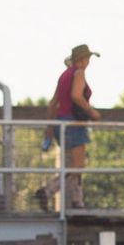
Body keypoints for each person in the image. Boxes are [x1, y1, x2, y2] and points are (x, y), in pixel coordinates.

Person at [38, 44, 100, 211]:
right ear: (83, 59)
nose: (89, 62)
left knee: (73, 165)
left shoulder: (64, 75)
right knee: (78, 165)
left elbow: (53, 103)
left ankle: (74, 199)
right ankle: (51, 191)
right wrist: (92, 112)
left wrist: (50, 127)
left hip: (61, 123)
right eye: (88, 58)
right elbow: (76, 96)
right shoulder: (79, 73)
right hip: (73, 123)